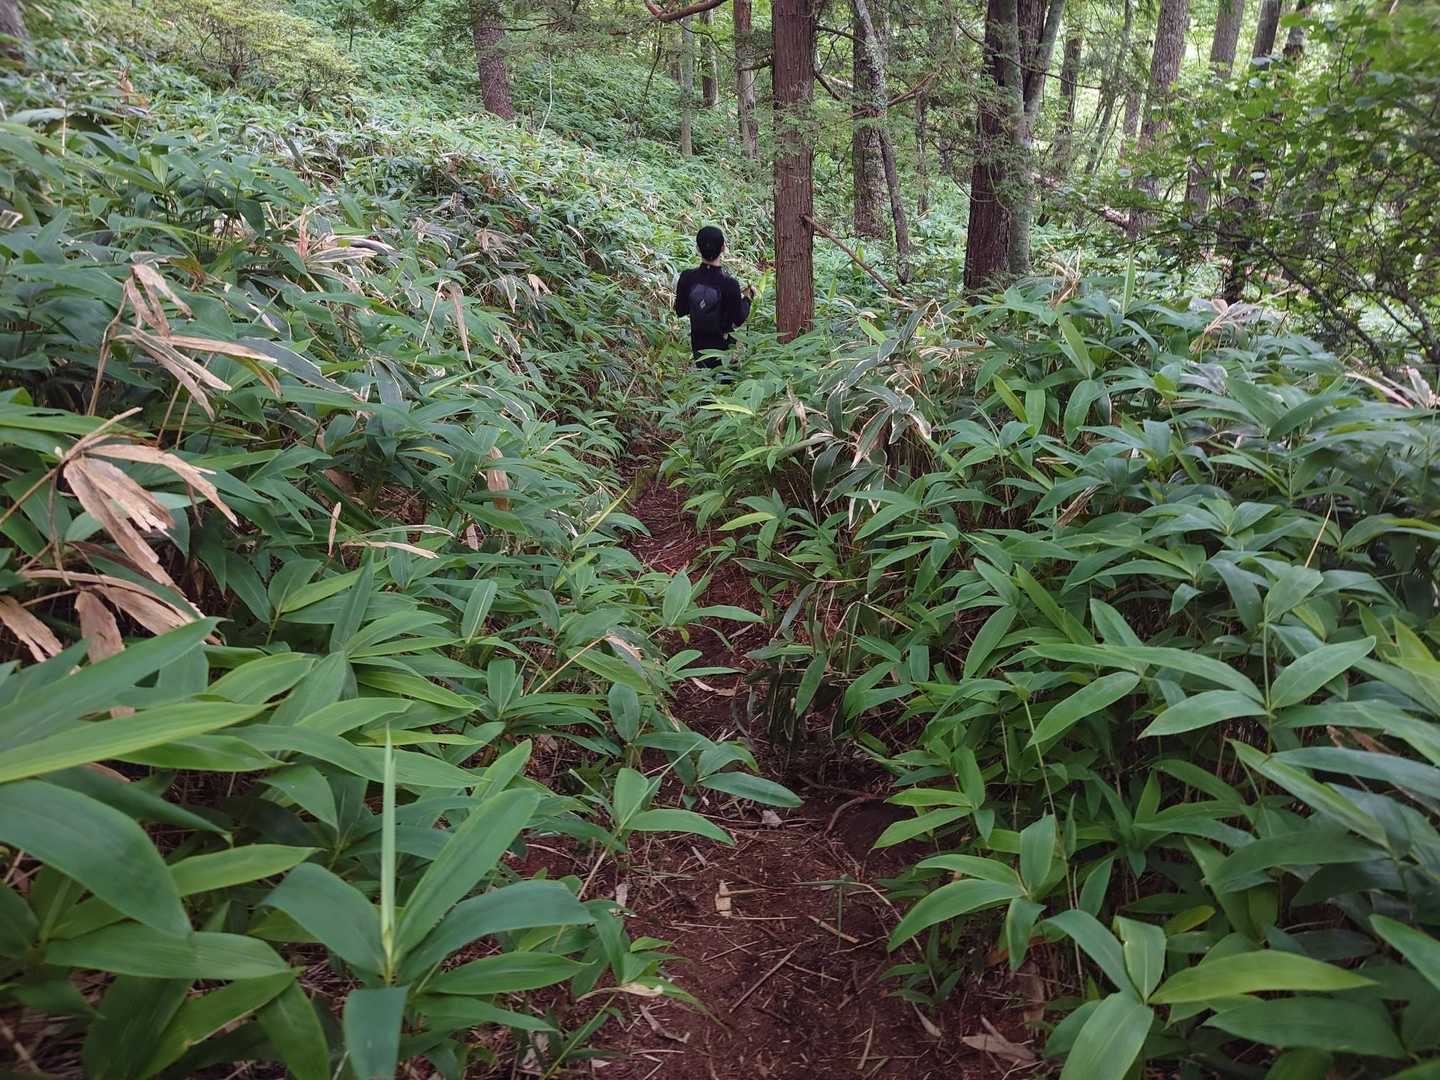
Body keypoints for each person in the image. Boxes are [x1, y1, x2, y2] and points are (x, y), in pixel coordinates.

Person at [674, 226, 753, 370]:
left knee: (704, 378)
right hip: (724, 351)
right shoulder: (729, 284)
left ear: (698, 248)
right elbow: (739, 319)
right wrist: (747, 299)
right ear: (723, 248)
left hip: (699, 348)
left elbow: (680, 310)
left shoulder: (687, 277)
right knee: (724, 380)